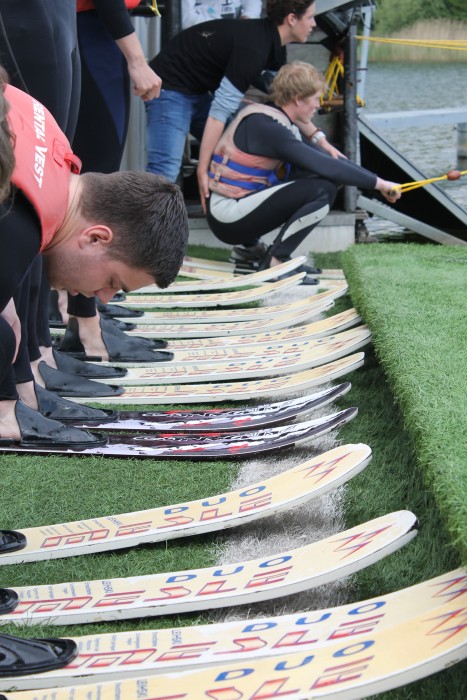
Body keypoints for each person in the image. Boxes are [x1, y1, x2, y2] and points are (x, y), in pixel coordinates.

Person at [0, 82, 188, 447]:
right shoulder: (17, 228)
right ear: (96, 237)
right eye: (113, 281)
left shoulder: (52, 142)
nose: (102, 297)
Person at [206, 61, 401, 283]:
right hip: (228, 217)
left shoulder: (274, 118)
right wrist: (381, 185)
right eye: (316, 98)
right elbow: (325, 166)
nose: (319, 105)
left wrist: (380, 181)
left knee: (325, 180)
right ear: (298, 98)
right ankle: (275, 262)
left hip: (235, 211)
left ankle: (255, 251)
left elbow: (329, 161)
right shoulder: (267, 127)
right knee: (322, 189)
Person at [145, 0, 329, 210]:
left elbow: (289, 102)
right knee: (165, 172)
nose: (314, 23)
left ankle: (246, 237)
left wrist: (319, 140)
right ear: (291, 19)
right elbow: (219, 112)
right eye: (310, 17)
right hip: (170, 87)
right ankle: (146, 240)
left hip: (199, 91)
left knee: (237, 150)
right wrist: (202, 171)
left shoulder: (275, 46)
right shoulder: (254, 48)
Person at [60, 0, 164, 364]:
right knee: (92, 184)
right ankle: (84, 325)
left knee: (86, 178)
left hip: (90, 32)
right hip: (88, 30)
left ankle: (74, 310)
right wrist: (137, 59)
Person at [182, 0, 262, 28]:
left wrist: (248, 16)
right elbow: (185, 18)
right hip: (203, 36)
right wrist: (225, 27)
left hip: (237, 33)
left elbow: (253, 2)